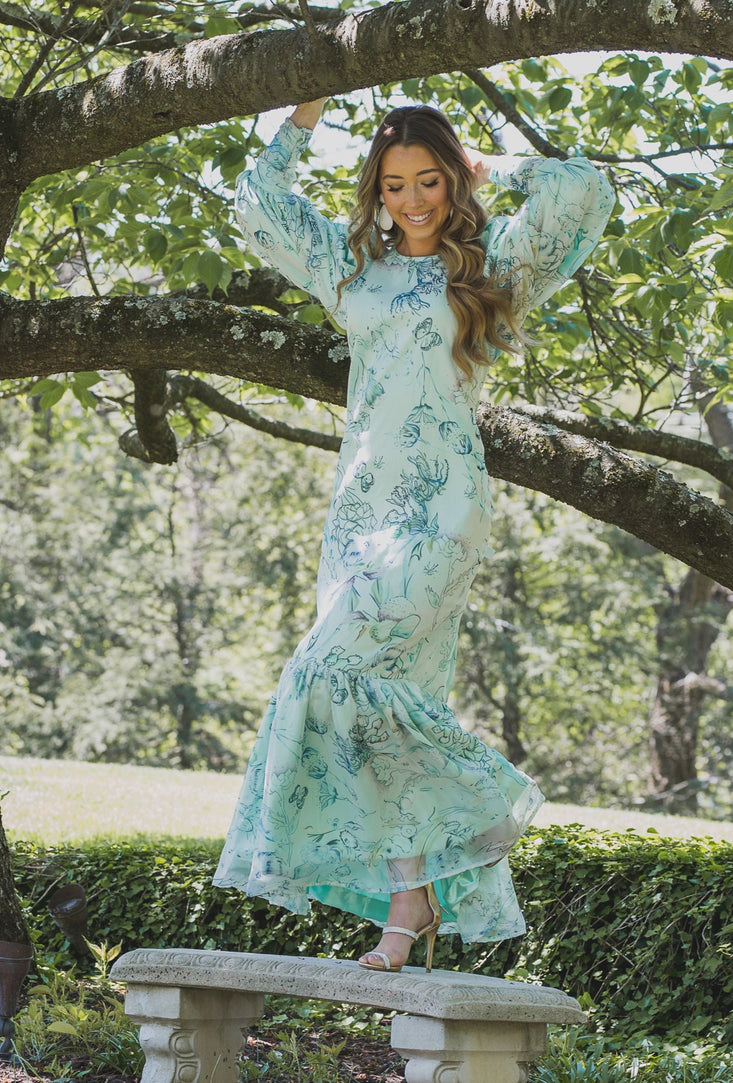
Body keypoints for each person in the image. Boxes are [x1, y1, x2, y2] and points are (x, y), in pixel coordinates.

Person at [213, 97, 614, 972]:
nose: (413, 200)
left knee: (328, 670)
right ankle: (410, 904)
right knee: (379, 712)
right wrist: (305, 110)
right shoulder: (352, 266)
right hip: (359, 515)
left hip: (443, 511)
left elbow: (584, 190)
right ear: (377, 190)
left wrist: (494, 167)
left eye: (430, 180)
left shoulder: (494, 266)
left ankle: (491, 798)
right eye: (395, 185)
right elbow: (257, 201)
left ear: (452, 180)